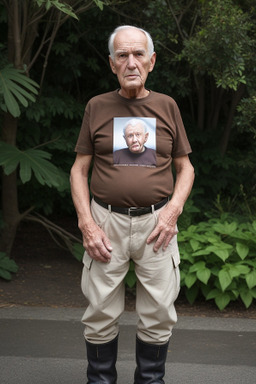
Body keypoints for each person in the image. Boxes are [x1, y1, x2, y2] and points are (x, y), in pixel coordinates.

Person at [70, 25, 194, 384]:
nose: (131, 62)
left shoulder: (167, 106)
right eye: (122, 55)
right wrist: (86, 224)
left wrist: (173, 212)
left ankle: (151, 380)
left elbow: (186, 168)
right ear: (112, 64)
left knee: (158, 313)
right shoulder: (97, 106)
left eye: (138, 54)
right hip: (104, 223)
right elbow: (79, 170)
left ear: (151, 61)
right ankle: (100, 380)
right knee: (100, 312)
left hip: (157, 224)